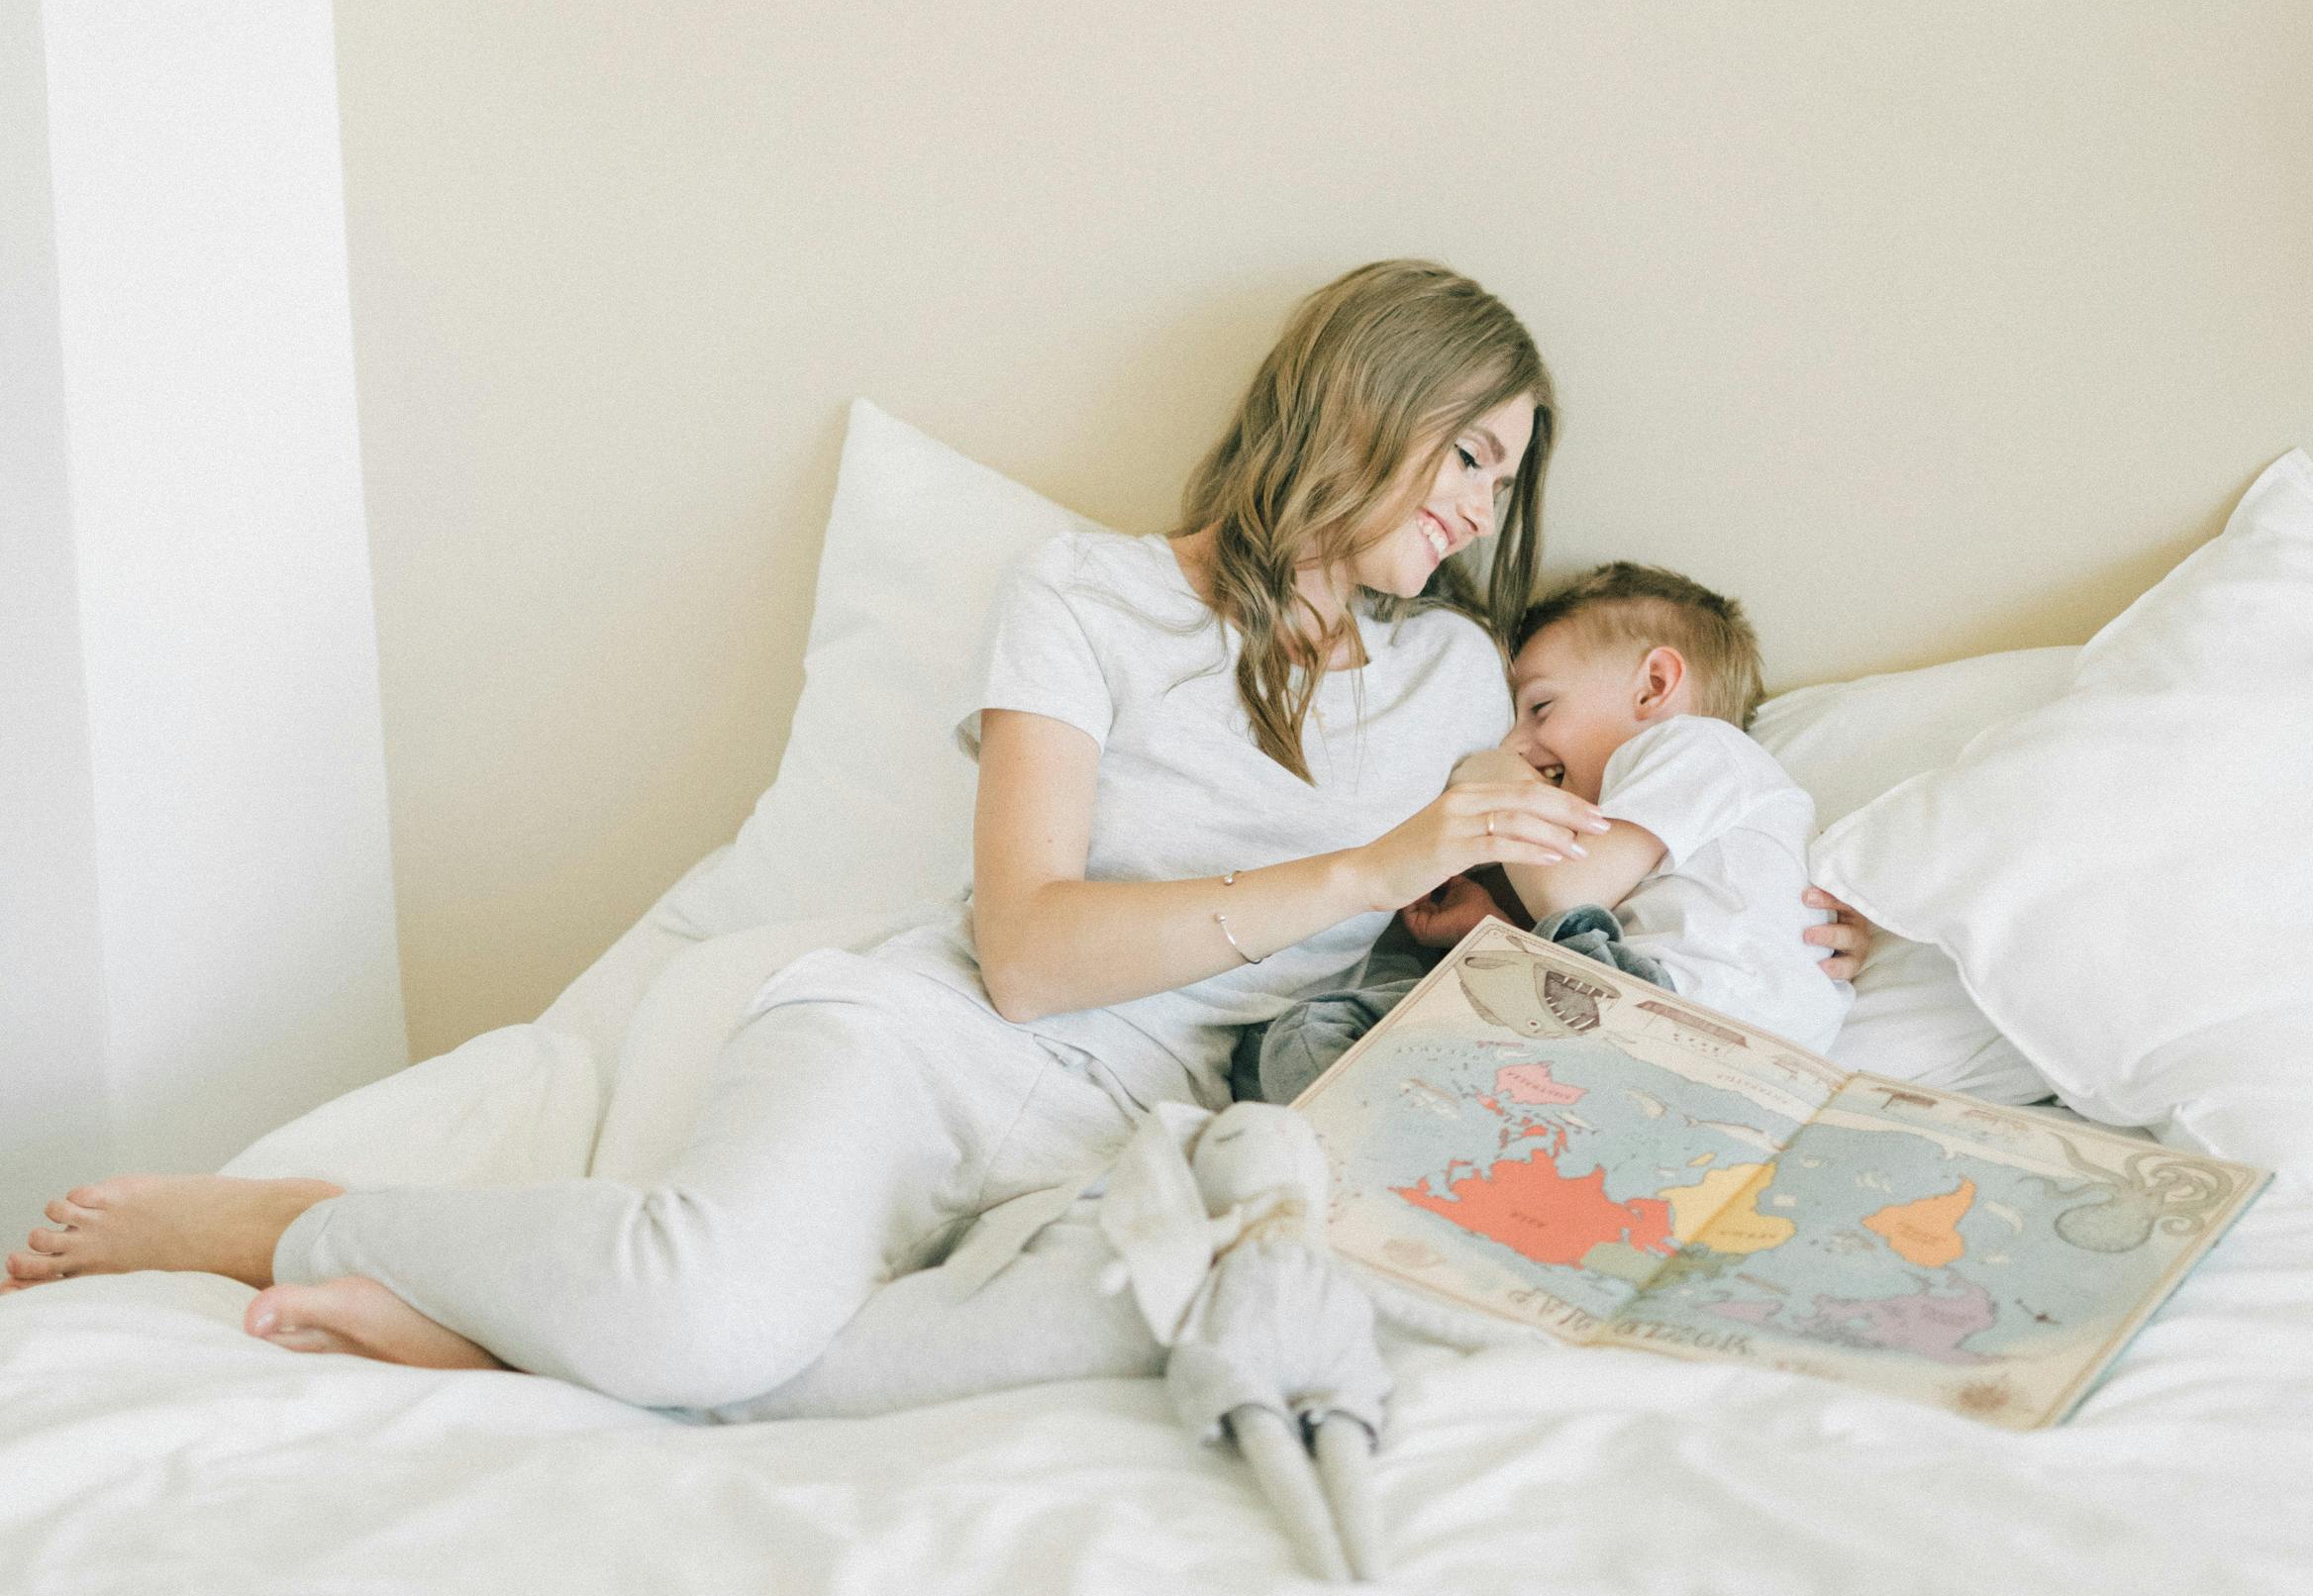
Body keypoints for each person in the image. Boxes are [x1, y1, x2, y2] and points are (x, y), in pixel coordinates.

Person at [6, 273, 1869, 1400]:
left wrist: (1784, 911)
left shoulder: (1461, 682)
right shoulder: (1084, 596)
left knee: (1057, 1368)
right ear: (1371, 403)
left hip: (1155, 1133)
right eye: (1471, 454)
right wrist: (1360, 871)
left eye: (1506, 480)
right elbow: (1030, 946)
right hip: (944, 1048)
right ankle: (273, 1222)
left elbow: (1584, 888)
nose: (1483, 511)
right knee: (714, 1306)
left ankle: (514, 1342)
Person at [1249, 559, 1849, 1101]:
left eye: (1540, 707)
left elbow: (1569, 895)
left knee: (1309, 1035)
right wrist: (1488, 925)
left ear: (1655, 686)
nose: (1516, 743)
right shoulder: (1687, 824)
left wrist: (1499, 784)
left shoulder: (1702, 745)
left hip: (1683, 1023)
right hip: (1713, 1061)